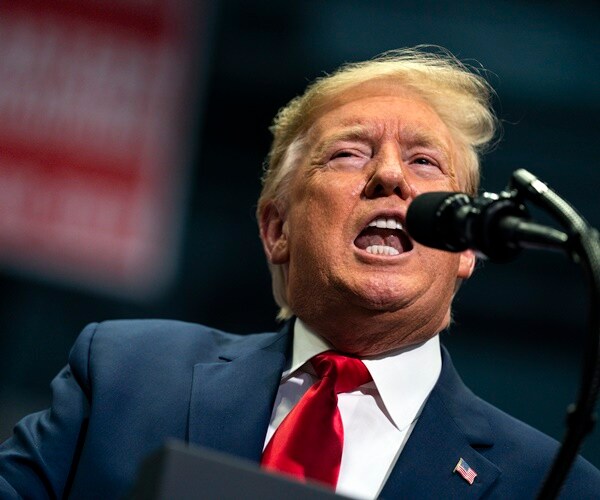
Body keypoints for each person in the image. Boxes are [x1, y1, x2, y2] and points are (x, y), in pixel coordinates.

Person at [1, 46, 599, 499]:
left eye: (424, 161)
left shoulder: (554, 484)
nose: (390, 177)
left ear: (467, 247)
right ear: (276, 230)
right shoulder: (124, 374)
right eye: (348, 153)